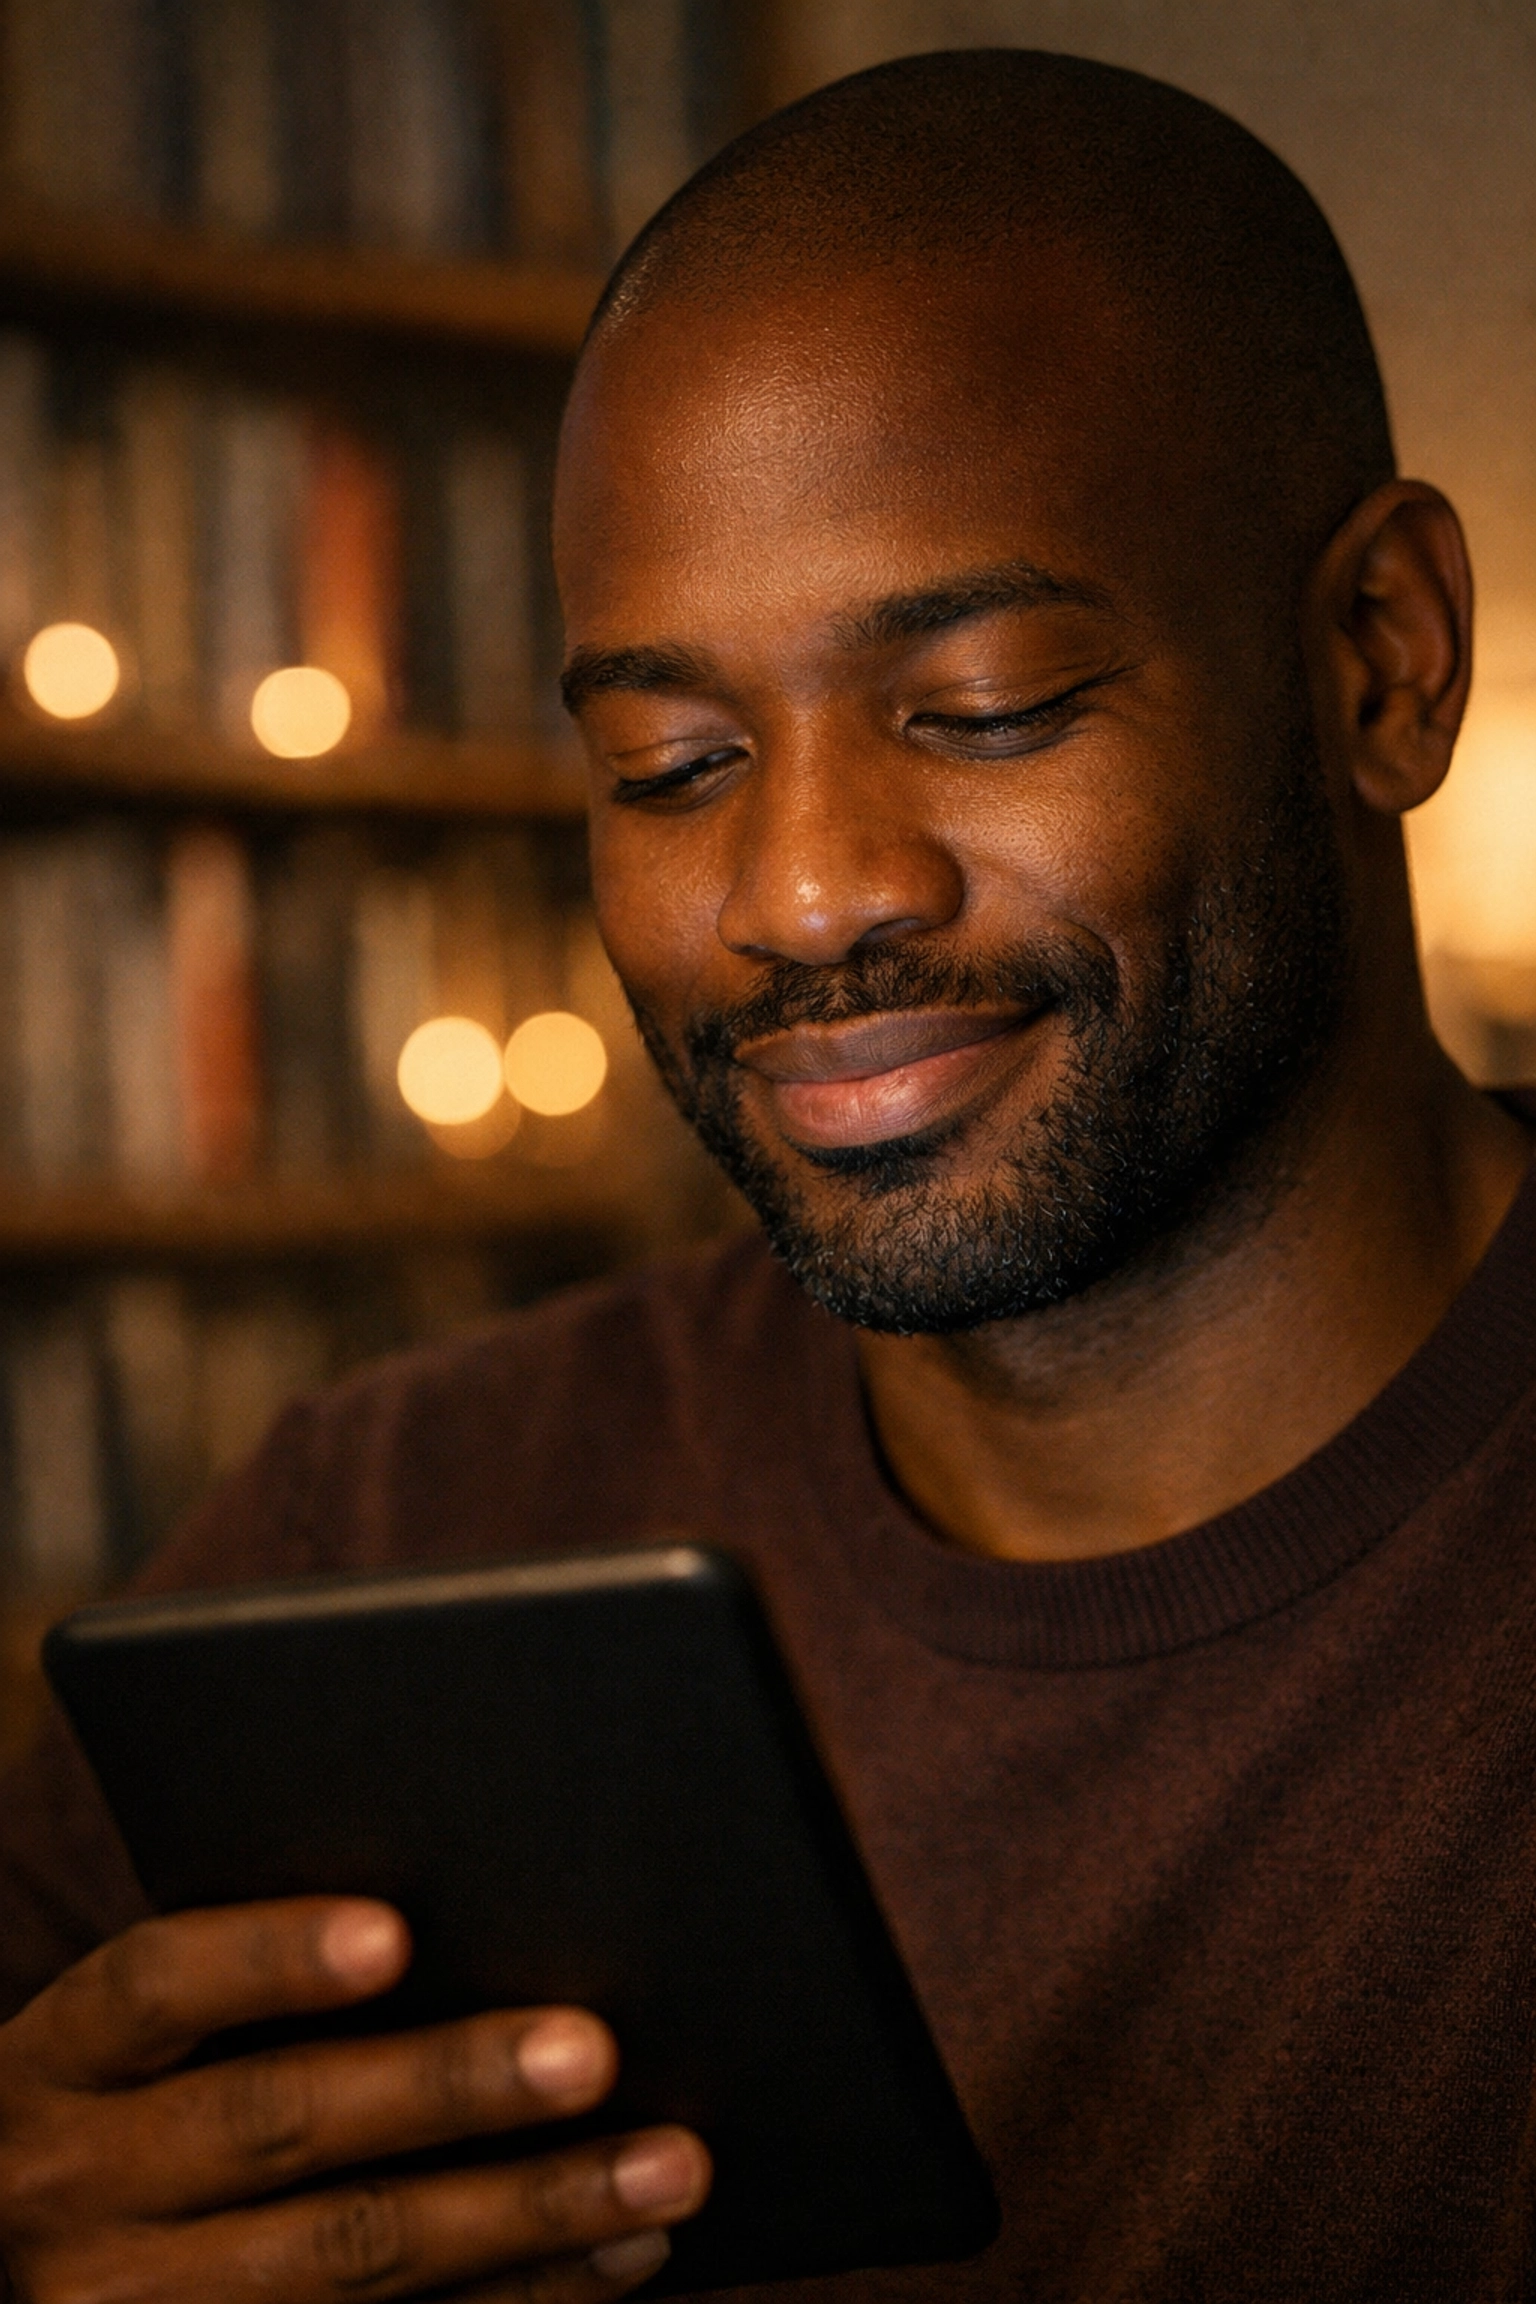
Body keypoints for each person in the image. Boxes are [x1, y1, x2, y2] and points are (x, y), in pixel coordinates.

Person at [1, 46, 1533, 2303]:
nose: (801, 892)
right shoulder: (399, 1527)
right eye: (671, 762)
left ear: (1380, 663)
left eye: (986, 705)